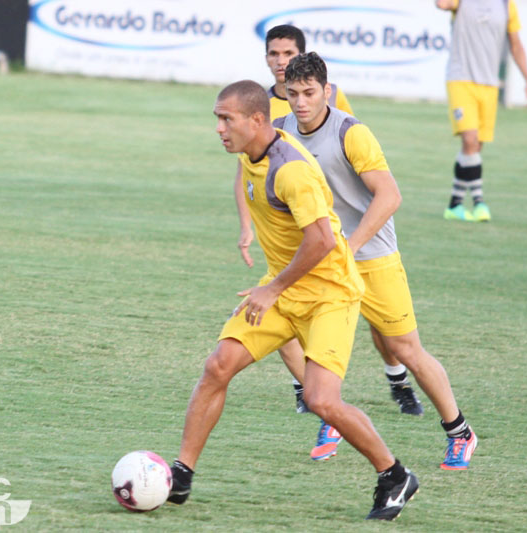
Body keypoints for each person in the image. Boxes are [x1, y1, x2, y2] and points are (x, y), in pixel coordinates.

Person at [168, 80, 418, 521]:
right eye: (217, 119)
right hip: (285, 288)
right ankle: (181, 474)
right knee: (218, 366)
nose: (219, 128)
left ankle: (394, 475)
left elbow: (322, 240)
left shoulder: (291, 171)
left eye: (226, 119)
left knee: (323, 400)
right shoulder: (252, 152)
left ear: (256, 120)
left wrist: (272, 288)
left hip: (330, 293)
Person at [239, 51, 477, 468]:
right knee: (279, 324)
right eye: (293, 93)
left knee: (406, 349)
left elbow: (390, 196)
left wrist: (347, 248)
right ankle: (329, 412)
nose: (301, 102)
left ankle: (459, 431)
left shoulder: (351, 133)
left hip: (371, 256)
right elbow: (251, 176)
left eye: (309, 92)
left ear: (327, 91)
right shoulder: (280, 132)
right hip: (319, 262)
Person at [237, 24, 423, 417]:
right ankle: (311, 394)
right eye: (274, 54)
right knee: (279, 310)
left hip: (359, 246)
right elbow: (249, 174)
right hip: (313, 244)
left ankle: (398, 380)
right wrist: (248, 225)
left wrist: (350, 243)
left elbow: (356, 160)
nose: (281, 61)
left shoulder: (338, 114)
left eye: (288, 54)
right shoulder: (267, 114)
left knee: (391, 335)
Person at [436, 0, 527, 222]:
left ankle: (454, 205)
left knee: (474, 147)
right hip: (461, 79)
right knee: (470, 140)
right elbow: (441, 4)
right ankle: (479, 201)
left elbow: (516, 44)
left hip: (489, 84)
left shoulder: (507, 4)